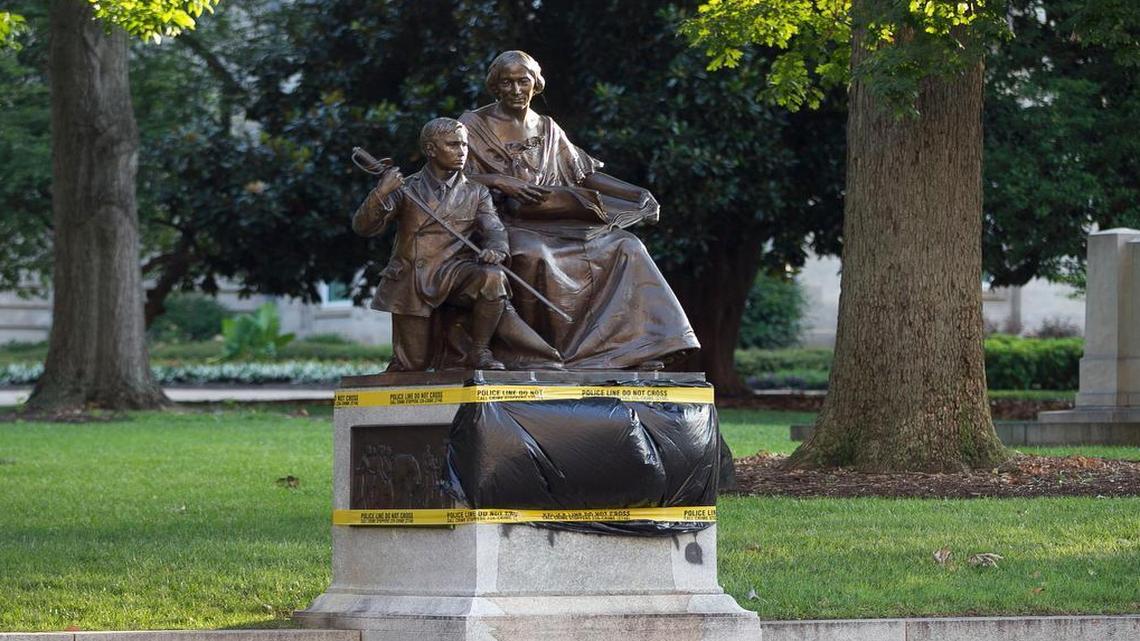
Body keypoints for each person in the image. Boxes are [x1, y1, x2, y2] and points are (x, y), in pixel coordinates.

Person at [459, 51, 699, 370]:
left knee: (628, 246)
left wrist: (637, 193)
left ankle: (632, 349)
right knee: (533, 255)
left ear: (536, 84)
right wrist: (500, 181)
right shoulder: (472, 125)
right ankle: (548, 355)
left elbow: (583, 173)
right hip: (502, 223)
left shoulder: (548, 127)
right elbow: (450, 177)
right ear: (495, 86)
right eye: (507, 83)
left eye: (523, 82)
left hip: (557, 219)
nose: (516, 90)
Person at [352, 117, 559, 371]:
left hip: (456, 272)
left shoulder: (476, 191)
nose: (462, 152)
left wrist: (496, 249)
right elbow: (363, 227)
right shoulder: (406, 188)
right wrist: (381, 193)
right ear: (431, 149)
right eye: (453, 145)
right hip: (414, 278)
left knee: (493, 277)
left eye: (464, 145)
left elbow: (494, 229)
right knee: (412, 365)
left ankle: (479, 351)